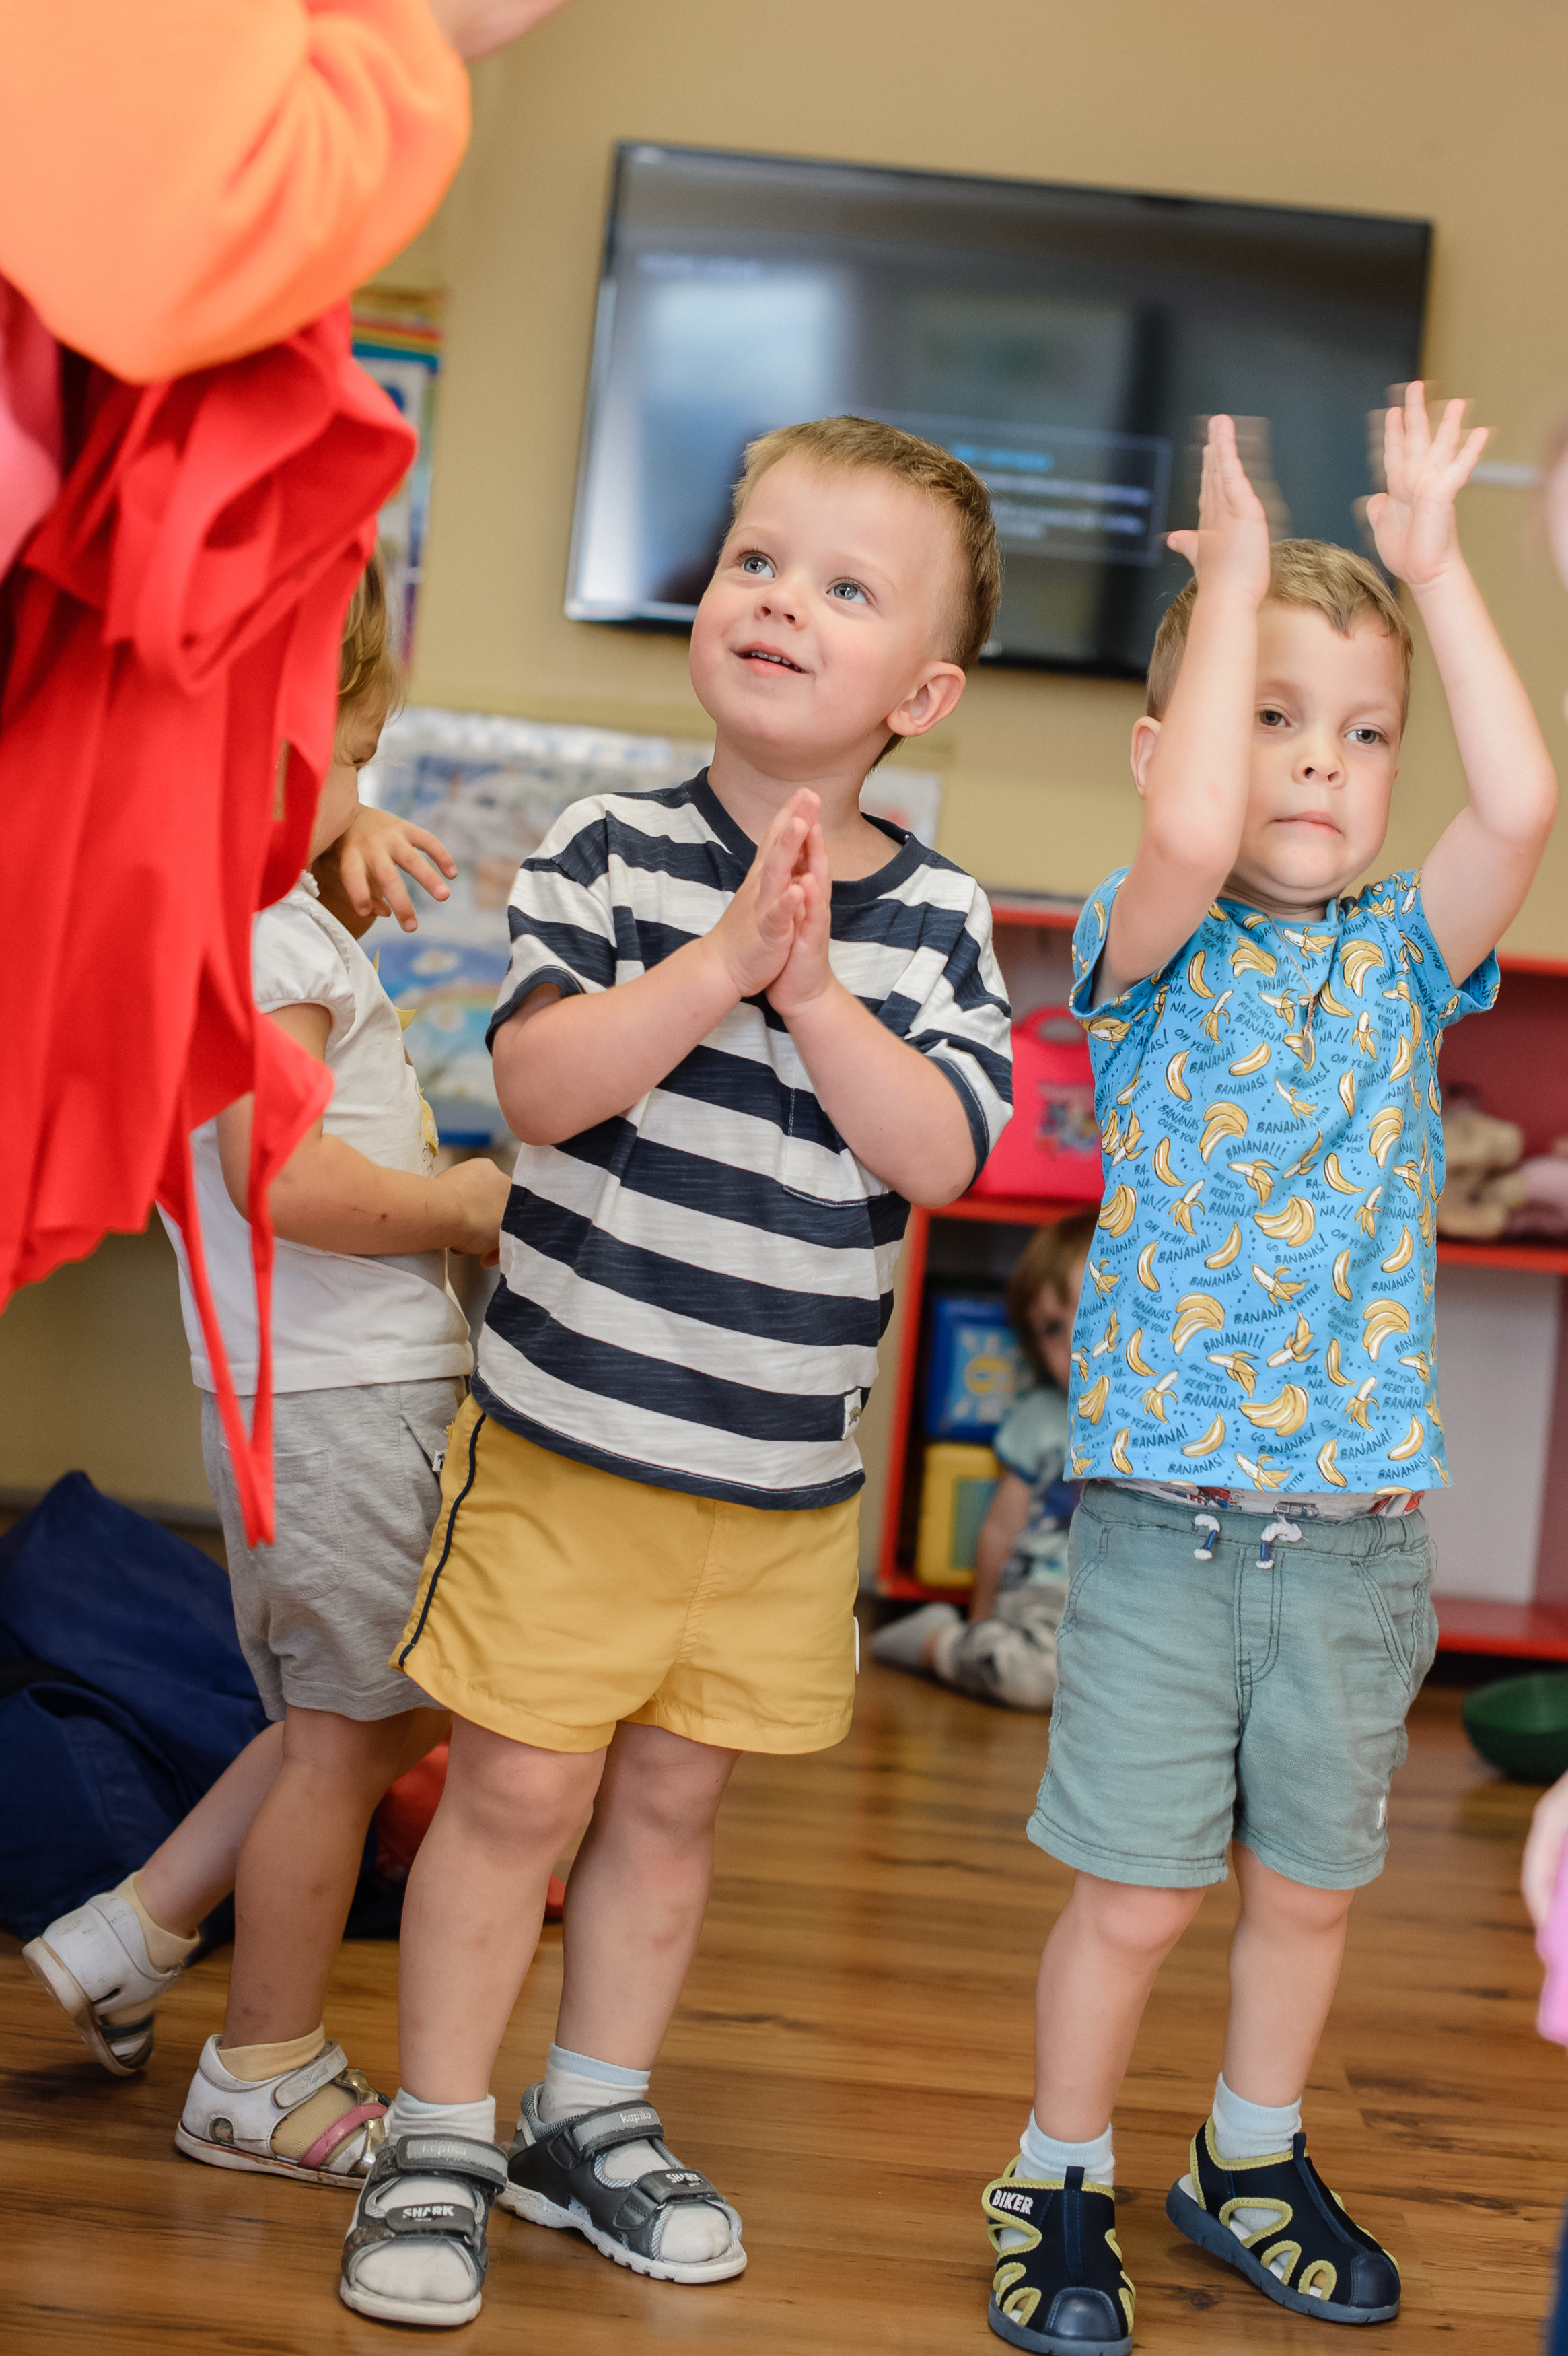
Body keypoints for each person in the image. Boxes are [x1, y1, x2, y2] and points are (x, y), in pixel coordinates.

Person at [332, 415, 1013, 2329]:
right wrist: (718, 965)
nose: (782, 599)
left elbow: (943, 1156)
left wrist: (813, 990)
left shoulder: (943, 920)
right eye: (757, 560)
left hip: (779, 1483)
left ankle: (592, 2115)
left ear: (925, 690)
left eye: (847, 586)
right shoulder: (610, 850)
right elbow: (538, 1090)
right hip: (568, 1446)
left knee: (672, 1812)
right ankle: (443, 2128)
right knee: (514, 1800)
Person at [980, 387, 1558, 2356]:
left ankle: (1242, 2151)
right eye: (1269, 710)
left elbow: (1513, 806)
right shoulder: (1143, 956)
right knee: (1132, 1900)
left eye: (1358, 726)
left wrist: (1430, 571)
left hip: (1348, 1546)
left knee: (1301, 1892)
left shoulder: (1405, 952)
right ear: (1174, 747)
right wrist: (1229, 578)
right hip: (1157, 1536)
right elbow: (1187, 828)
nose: (1319, 759)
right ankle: (1053, 2171)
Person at [23, 559, 511, 2188]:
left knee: (339, 1713)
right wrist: (459, 1205)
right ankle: (263, 2070)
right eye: (355, 760)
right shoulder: (270, 934)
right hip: (347, 1393)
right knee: (357, 1730)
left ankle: (138, 1924)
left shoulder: (238, 914)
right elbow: (282, 1180)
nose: (367, 801)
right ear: (272, 749)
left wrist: (334, 841)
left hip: (296, 1401)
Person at [872, 1214, 1094, 1710]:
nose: (1075, 1342)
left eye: (1095, 1310)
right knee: (1037, 1680)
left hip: (1127, 1607)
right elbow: (1001, 1528)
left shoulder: (1165, 1418)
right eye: (1054, 1329)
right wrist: (982, 1619)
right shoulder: (1040, 1417)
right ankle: (942, 1643)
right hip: (1045, 1596)